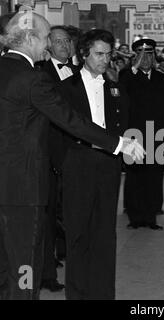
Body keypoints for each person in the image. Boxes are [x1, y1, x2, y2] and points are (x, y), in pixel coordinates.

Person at [0, 11, 144, 300]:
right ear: (29, 39)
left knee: (5, 263)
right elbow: (70, 120)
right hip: (23, 190)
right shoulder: (33, 79)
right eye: (44, 39)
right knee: (25, 265)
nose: (48, 46)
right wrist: (118, 143)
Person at [58, 29, 129, 300]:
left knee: (104, 234)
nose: (105, 59)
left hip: (108, 164)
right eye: (99, 53)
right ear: (84, 54)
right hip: (78, 163)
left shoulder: (115, 88)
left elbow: (124, 124)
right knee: (77, 233)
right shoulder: (66, 88)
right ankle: (76, 294)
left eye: (108, 54)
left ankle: (103, 293)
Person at [121, 38, 164, 230]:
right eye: (142, 55)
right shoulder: (126, 76)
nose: (146, 60)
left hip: (158, 135)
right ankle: (135, 217)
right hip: (134, 135)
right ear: (135, 57)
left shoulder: (161, 78)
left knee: (154, 177)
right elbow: (122, 106)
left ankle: (151, 216)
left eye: (150, 55)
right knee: (135, 176)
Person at [39, 25, 77, 293]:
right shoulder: (40, 73)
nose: (64, 45)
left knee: (69, 209)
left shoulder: (79, 73)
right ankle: (46, 273)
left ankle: (64, 255)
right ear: (48, 46)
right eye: (59, 41)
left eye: (67, 41)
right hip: (49, 153)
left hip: (75, 152)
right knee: (48, 213)